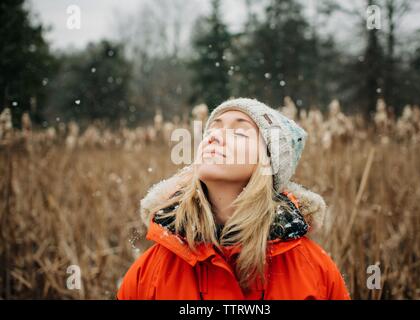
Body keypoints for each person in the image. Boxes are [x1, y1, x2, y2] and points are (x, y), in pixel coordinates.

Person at [117, 97, 350, 300]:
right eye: (211, 130)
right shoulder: (149, 272)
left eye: (239, 132)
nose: (214, 137)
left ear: (269, 162)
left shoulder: (315, 271)